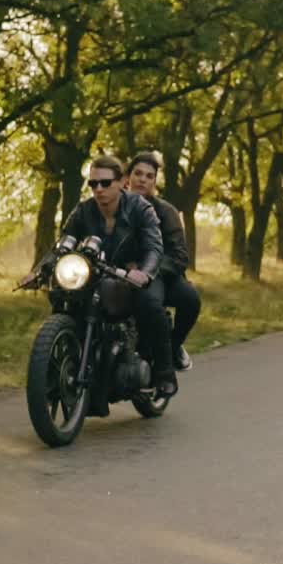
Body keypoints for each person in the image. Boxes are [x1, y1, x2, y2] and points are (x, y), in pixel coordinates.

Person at [60, 155, 178, 397]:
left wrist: (145, 272)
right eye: (93, 184)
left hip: (133, 272)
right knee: (64, 295)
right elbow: (62, 244)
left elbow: (154, 247)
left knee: (150, 303)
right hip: (97, 271)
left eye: (105, 183)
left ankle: (165, 373)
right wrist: (39, 270)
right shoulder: (83, 210)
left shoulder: (140, 207)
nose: (98, 189)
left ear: (121, 182)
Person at [125, 152, 201, 371]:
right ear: (128, 177)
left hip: (162, 274)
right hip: (118, 272)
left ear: (154, 182)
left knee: (191, 300)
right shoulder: (114, 205)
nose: (142, 179)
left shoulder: (166, 211)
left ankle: (173, 346)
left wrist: (148, 269)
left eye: (149, 176)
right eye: (138, 173)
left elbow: (179, 256)